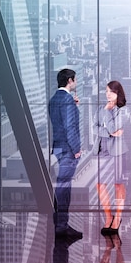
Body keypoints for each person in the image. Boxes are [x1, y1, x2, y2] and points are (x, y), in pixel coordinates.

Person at [94, 80, 131, 243]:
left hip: (117, 152)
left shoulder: (123, 110)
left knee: (118, 184)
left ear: (118, 93)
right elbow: (94, 128)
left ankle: (118, 218)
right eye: (106, 91)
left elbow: (113, 127)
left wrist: (107, 115)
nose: (108, 94)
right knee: (100, 185)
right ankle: (108, 216)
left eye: (111, 91)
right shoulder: (101, 108)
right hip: (101, 151)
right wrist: (109, 133)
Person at [48, 68, 82, 241]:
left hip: (59, 148)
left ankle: (59, 224)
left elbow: (60, 124)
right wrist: (76, 149)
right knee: (64, 189)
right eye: (74, 80)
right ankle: (62, 227)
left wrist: (73, 107)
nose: (76, 82)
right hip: (68, 149)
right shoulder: (67, 100)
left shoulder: (54, 100)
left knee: (61, 187)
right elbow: (69, 128)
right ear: (69, 80)